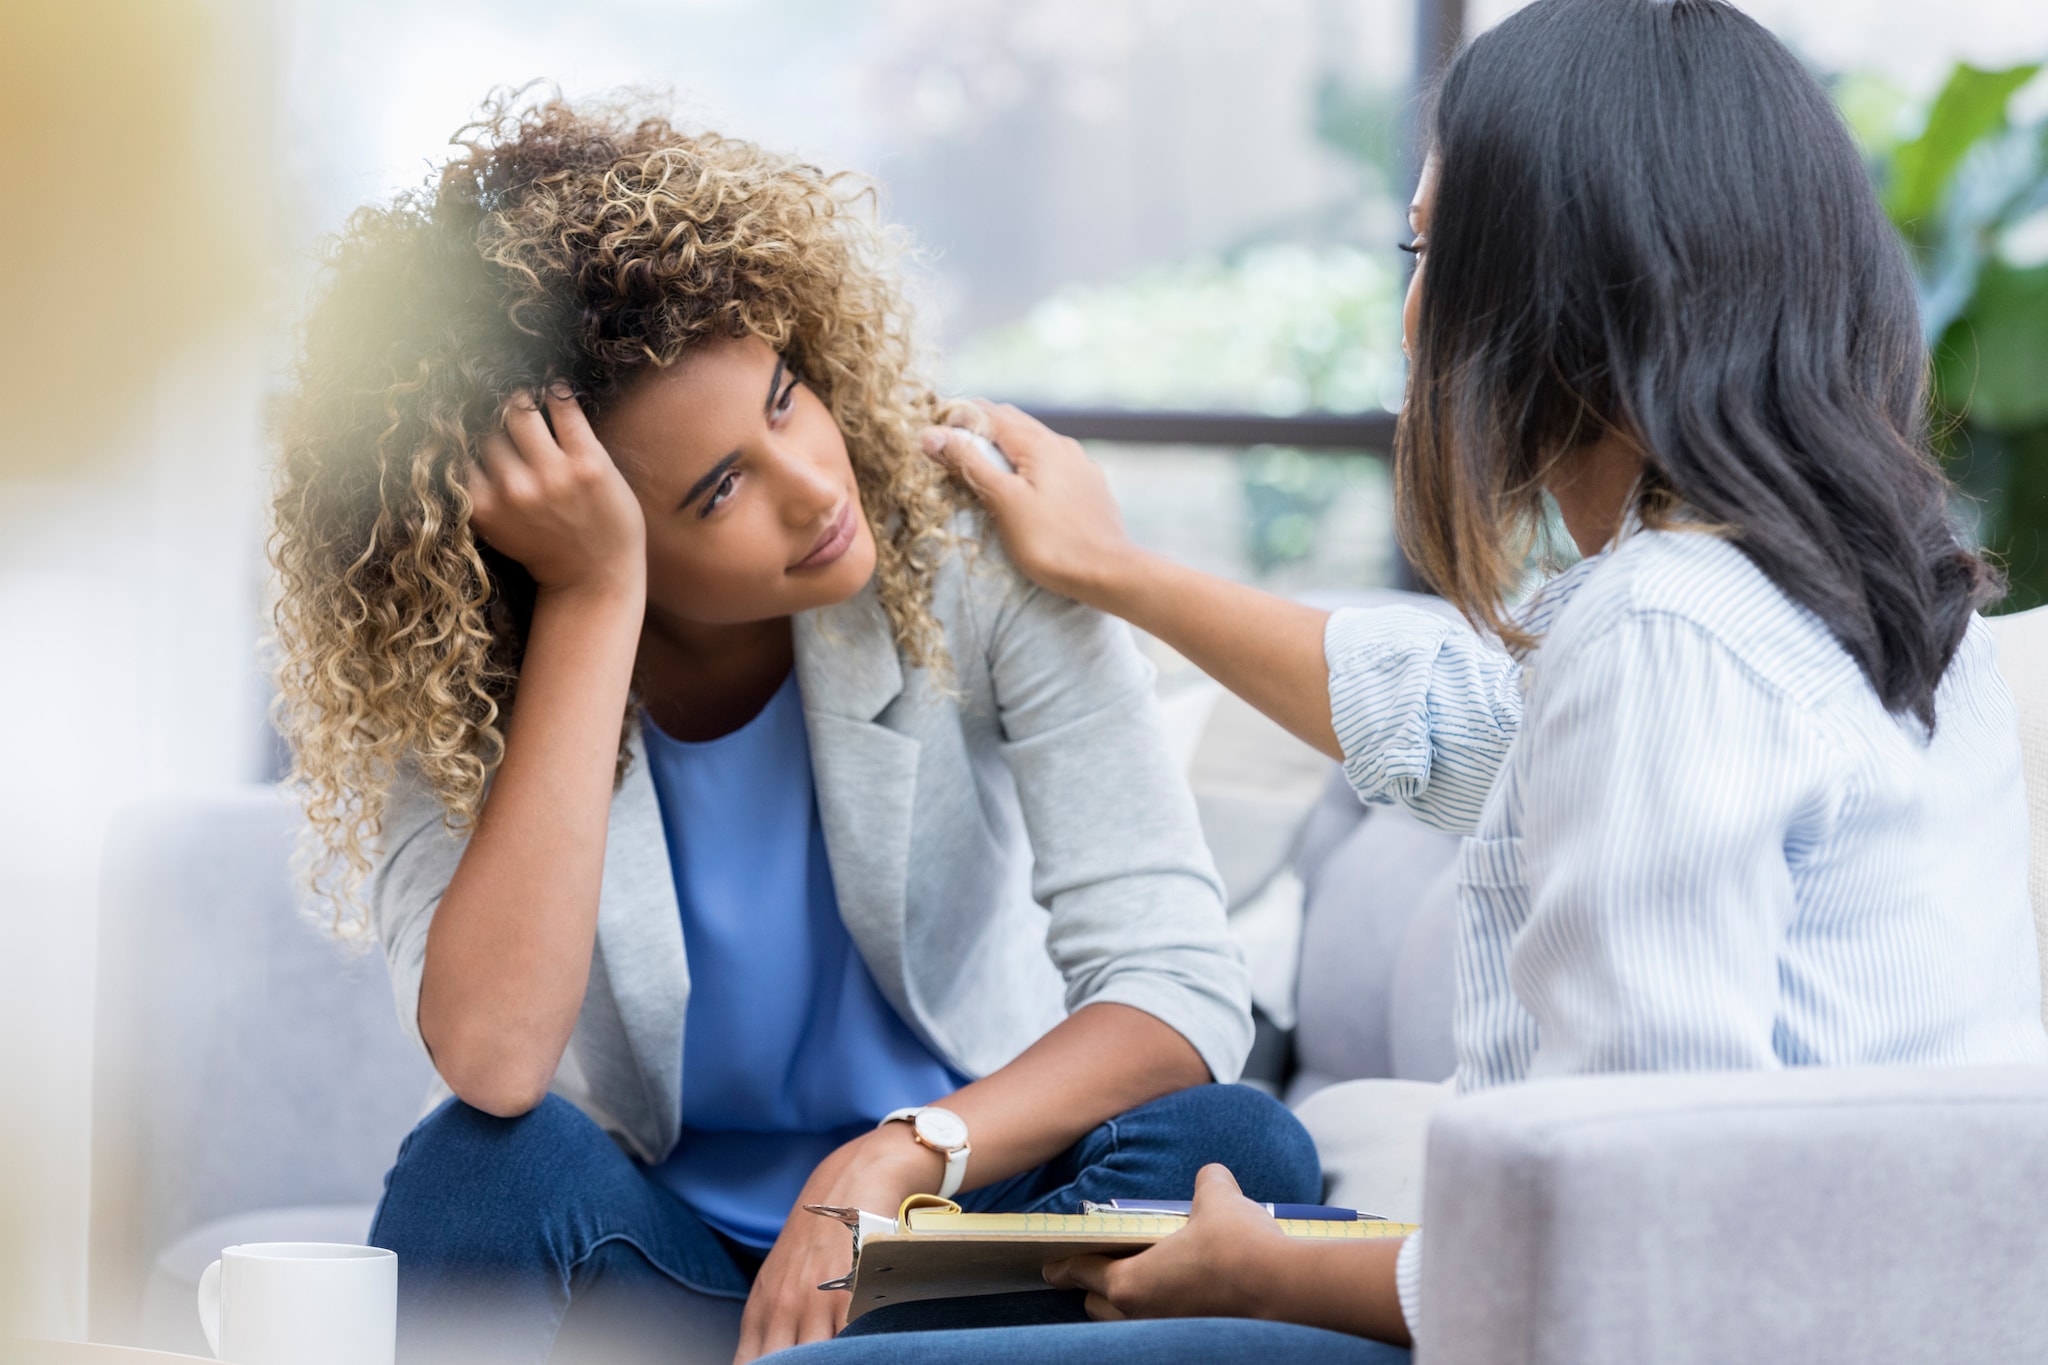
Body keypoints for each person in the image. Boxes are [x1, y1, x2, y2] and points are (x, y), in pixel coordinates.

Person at [779, 0, 2048, 1359]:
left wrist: (1264, 1276)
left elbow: (1636, 1233)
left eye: (1431, 247)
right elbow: (1465, 726)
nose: (1411, 312)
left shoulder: (1666, 629)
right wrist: (1115, 572)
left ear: (1563, 285)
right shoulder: (1884, 607)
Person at [269, 95, 1321, 1364]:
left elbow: (1175, 983)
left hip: (955, 1243)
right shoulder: (451, 672)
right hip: (665, 1263)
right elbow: (492, 1063)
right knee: (477, 1167)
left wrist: (901, 1152)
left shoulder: (970, 551)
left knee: (1236, 1146)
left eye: (784, 397)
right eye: (719, 489)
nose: (816, 485)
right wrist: (597, 601)